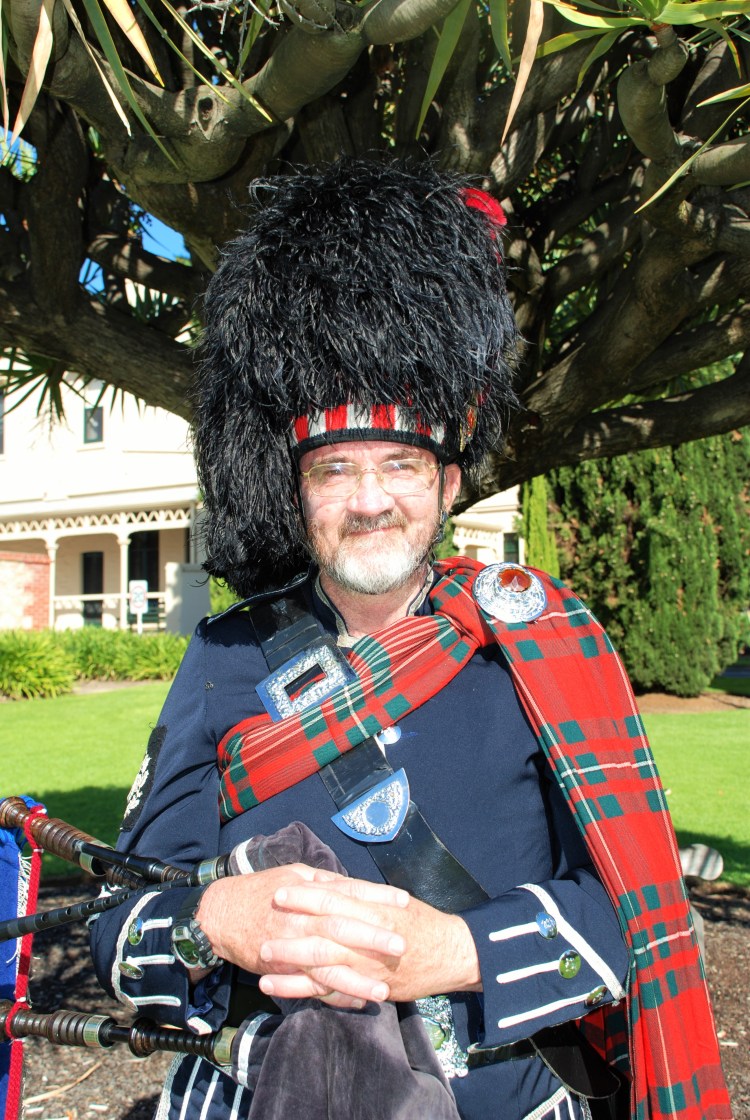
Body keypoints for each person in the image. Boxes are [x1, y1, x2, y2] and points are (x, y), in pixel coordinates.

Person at [89, 160, 730, 1120]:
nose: (370, 498)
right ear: (291, 488)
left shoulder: (537, 645)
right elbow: (118, 924)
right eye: (335, 468)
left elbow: (628, 914)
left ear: (449, 478)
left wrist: (454, 952)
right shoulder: (224, 659)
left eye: (400, 462)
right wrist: (213, 924)